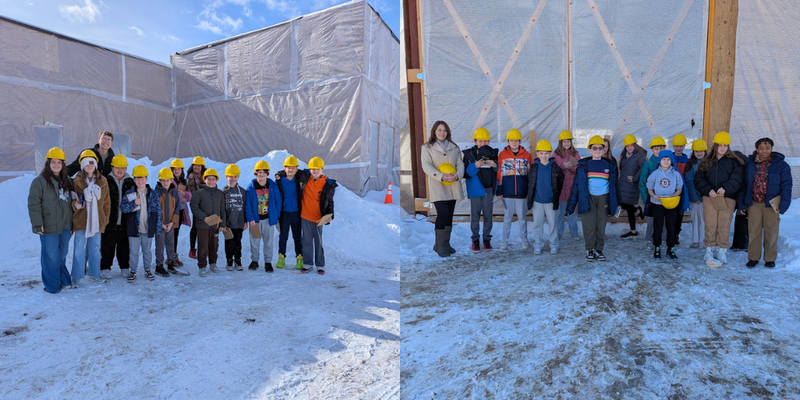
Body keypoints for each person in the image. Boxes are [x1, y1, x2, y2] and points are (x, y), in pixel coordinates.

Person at [694, 131, 745, 267]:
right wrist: (708, 190)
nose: (722, 148)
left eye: (725, 145)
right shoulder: (706, 161)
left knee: (724, 224)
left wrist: (725, 188)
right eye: (720, 145)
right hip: (710, 197)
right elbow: (699, 178)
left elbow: (737, 178)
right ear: (715, 146)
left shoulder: (735, 162)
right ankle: (709, 249)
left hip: (727, 198)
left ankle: (722, 250)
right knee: (710, 223)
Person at [739, 138, 793, 268]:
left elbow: (787, 185)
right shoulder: (751, 164)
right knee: (754, 232)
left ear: (772, 148)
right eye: (761, 148)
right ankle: (753, 258)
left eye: (767, 148)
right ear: (757, 149)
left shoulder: (781, 164)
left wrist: (784, 204)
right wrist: (742, 203)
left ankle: (770, 258)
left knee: (771, 231)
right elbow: (744, 184)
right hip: (754, 203)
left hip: (772, 204)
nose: (764, 151)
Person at [27, 147, 75, 293]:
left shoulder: (68, 181)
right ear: (48, 164)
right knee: (51, 256)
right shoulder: (39, 182)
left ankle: (64, 280)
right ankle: (52, 285)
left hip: (65, 225)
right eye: (53, 162)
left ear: (63, 165)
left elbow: (74, 200)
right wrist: (37, 223)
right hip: (48, 225)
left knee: (62, 254)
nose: (56, 165)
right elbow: (34, 203)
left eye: (59, 162)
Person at [567, 135, 619, 261]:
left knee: (600, 225)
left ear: (604, 149)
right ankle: (590, 249)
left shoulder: (609, 165)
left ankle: (599, 250)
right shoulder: (584, 165)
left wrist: (617, 204)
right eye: (594, 148)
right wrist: (571, 206)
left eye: (600, 148)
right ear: (589, 150)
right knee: (589, 225)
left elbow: (614, 185)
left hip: (603, 198)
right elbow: (576, 186)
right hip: (588, 198)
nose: (597, 150)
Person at [420, 120, 464, 257]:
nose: (442, 133)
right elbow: (426, 165)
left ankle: (446, 243)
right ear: (434, 131)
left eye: (444, 130)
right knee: (442, 213)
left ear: (448, 132)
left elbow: (460, 163)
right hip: (438, 185)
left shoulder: (454, 147)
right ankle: (438, 245)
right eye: (439, 130)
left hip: (453, 184)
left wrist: (457, 175)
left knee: (450, 214)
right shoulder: (427, 147)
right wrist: (441, 176)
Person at [70, 150, 111, 286]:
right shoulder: (76, 181)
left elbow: (106, 202)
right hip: (81, 220)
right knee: (78, 248)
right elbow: (72, 199)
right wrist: (75, 205)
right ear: (82, 166)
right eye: (86, 164)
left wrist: (104, 219)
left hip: (97, 220)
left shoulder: (102, 181)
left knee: (95, 248)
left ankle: (95, 273)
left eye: (92, 164)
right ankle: (76, 275)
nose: (89, 167)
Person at [121, 165, 162, 282]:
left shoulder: (153, 194)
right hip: (134, 228)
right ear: (134, 180)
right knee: (133, 252)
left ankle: (147, 269)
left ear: (147, 179)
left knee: (147, 251)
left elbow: (157, 211)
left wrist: (157, 228)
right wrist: (134, 203)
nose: (140, 181)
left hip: (147, 228)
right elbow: (123, 208)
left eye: (142, 178)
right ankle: (133, 271)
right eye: (137, 178)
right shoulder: (130, 194)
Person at [646, 150, 688, 260]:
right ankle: (657, 247)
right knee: (658, 226)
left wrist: (673, 196)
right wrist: (653, 196)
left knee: (671, 226)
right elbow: (649, 187)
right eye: (664, 159)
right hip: (657, 204)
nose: (666, 161)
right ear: (659, 161)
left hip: (671, 204)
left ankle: (671, 248)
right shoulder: (655, 174)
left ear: (671, 161)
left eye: (668, 159)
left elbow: (679, 188)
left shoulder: (675, 174)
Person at [298, 157, 337, 274]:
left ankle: (320, 265)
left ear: (322, 169)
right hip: (305, 216)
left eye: (317, 169)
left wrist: (330, 215)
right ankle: (308, 264)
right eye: (312, 169)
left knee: (318, 242)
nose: (315, 171)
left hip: (318, 218)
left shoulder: (327, 184)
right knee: (306, 241)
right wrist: (279, 175)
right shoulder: (304, 178)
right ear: (309, 169)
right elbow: (291, 171)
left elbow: (330, 202)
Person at [496, 128, 533, 250]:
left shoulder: (527, 155)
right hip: (507, 192)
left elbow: (531, 175)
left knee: (522, 218)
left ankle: (524, 239)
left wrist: (529, 190)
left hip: (522, 193)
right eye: (512, 140)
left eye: (516, 140)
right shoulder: (502, 155)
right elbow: (499, 173)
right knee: (507, 218)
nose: (514, 143)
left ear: (520, 142)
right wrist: (500, 189)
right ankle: (504, 240)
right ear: (508, 142)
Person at [462, 127, 498, 252]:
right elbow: (466, 173)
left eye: (486, 141)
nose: (483, 143)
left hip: (488, 190)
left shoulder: (493, 153)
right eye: (480, 141)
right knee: (475, 216)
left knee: (488, 216)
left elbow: (498, 172)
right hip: (475, 191)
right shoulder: (469, 155)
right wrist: (475, 166)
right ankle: (475, 240)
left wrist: (495, 165)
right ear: (475, 141)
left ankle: (487, 239)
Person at [526, 140, 564, 255]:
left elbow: (560, 183)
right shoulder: (533, 168)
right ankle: (538, 245)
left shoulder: (556, 168)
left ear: (550, 154)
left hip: (551, 201)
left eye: (546, 153)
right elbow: (530, 182)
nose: (544, 156)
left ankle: (553, 245)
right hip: (537, 201)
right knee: (538, 224)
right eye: (541, 153)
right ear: (537, 154)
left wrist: (555, 197)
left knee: (553, 224)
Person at [100, 154, 134, 279]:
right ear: (112, 167)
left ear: (126, 168)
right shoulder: (106, 181)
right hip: (110, 221)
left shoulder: (130, 182)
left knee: (124, 247)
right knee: (107, 246)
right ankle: (105, 267)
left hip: (125, 221)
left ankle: (124, 267)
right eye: (117, 167)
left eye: (123, 168)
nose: (120, 170)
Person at [190, 169, 226, 277]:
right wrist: (203, 217)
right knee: (203, 245)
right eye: (208, 179)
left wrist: (223, 223)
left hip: (215, 224)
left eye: (213, 179)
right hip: (202, 225)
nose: (211, 181)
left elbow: (222, 209)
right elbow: (194, 207)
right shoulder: (198, 193)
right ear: (205, 180)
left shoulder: (220, 194)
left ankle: (213, 263)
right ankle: (202, 266)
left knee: (214, 245)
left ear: (216, 181)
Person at [247, 160, 282, 272]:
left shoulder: (273, 186)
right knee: (254, 241)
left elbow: (278, 201)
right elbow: (247, 205)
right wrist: (251, 219)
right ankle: (255, 261)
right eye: (259, 172)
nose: (261, 174)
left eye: (263, 172)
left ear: (267, 173)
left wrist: (275, 215)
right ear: (255, 173)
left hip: (268, 219)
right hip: (255, 221)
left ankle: (268, 262)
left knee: (268, 242)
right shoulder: (251, 188)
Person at [275, 156, 304, 269]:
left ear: (297, 169)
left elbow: (309, 172)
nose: (290, 170)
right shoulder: (280, 181)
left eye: (293, 168)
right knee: (283, 236)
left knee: (297, 237)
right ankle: (281, 258)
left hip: (296, 213)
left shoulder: (299, 179)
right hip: (284, 213)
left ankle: (299, 258)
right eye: (288, 168)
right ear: (285, 169)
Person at [639, 137, 668, 246]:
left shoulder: (667, 162)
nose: (659, 151)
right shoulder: (648, 164)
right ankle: (649, 238)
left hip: (665, 197)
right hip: (651, 198)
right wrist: (646, 198)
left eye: (661, 148)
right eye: (656, 149)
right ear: (652, 150)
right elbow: (642, 183)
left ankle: (664, 239)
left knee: (664, 218)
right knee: (651, 219)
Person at [553, 130, 581, 241]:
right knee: (559, 214)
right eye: (564, 141)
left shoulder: (574, 155)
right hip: (560, 191)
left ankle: (574, 233)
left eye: (568, 141)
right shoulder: (556, 155)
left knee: (573, 213)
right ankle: (559, 233)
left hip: (571, 191)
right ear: (560, 142)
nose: (566, 144)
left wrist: (571, 167)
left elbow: (578, 169)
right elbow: (553, 169)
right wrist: (562, 165)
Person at [617, 135, 646, 239]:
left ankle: (633, 230)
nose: (629, 148)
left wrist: (635, 178)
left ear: (635, 146)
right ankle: (637, 211)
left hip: (631, 185)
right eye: (627, 146)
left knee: (628, 207)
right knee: (621, 203)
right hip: (623, 185)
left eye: (631, 146)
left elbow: (644, 167)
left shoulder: (638, 157)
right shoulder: (625, 156)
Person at [153, 168, 181, 277]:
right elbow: (154, 210)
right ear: (159, 180)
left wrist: (172, 223)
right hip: (160, 226)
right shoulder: (156, 193)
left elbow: (177, 208)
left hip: (170, 225)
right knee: (160, 246)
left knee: (170, 244)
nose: (165, 182)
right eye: (163, 180)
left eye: (167, 180)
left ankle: (171, 263)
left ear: (171, 180)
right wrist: (160, 224)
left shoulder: (174, 193)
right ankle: (159, 266)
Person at [223, 164, 247, 271]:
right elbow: (222, 209)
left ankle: (238, 260)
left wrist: (245, 221)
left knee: (238, 242)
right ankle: (229, 261)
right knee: (229, 243)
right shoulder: (223, 192)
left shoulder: (242, 191)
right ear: (226, 177)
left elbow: (246, 207)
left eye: (235, 176)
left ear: (238, 177)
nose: (232, 179)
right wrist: (223, 223)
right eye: (230, 176)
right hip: (228, 223)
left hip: (239, 222)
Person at [683, 139, 707, 248]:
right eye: (697, 151)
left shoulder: (709, 163)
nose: (699, 153)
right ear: (693, 152)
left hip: (707, 197)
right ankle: (696, 240)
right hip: (696, 198)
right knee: (696, 219)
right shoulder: (691, 164)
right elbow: (689, 181)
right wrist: (694, 197)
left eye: (701, 151)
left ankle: (704, 240)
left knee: (706, 220)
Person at [170, 158, 192, 268]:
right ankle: (171, 257)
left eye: (179, 169)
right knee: (172, 235)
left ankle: (174, 255)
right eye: (175, 169)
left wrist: (183, 194)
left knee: (176, 234)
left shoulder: (183, 181)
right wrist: (181, 197)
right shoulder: (170, 180)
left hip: (181, 211)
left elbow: (189, 196)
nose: (177, 171)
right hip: (173, 212)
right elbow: (171, 195)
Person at [186, 156, 207, 259]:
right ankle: (192, 249)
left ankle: (204, 248)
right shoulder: (191, 176)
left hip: (207, 204)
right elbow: (193, 191)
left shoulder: (206, 175)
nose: (196, 167)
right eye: (194, 165)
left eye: (198, 165)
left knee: (205, 226)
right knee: (196, 226)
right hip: (197, 204)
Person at [671, 134, 690, 245]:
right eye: (676, 146)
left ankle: (676, 234)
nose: (678, 148)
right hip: (670, 190)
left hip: (682, 191)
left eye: (681, 146)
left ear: (684, 146)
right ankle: (670, 234)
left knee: (679, 213)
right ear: (673, 146)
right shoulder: (669, 157)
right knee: (671, 213)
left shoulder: (686, 160)